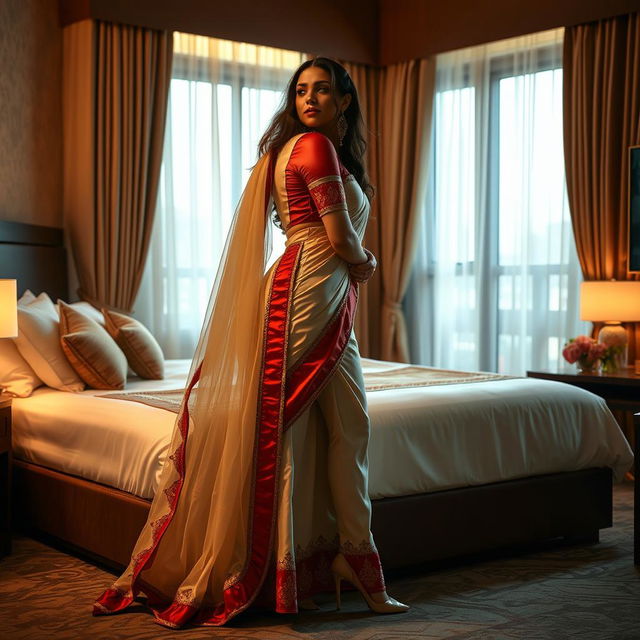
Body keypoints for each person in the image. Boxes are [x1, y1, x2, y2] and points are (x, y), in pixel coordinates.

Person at [93, 57, 408, 629]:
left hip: (323, 289)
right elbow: (339, 237)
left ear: (344, 100)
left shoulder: (315, 149)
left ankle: (354, 558)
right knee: (277, 424)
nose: (309, 99)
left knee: (351, 427)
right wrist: (366, 262)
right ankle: (259, 565)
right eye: (300, 91)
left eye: (321, 90)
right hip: (308, 287)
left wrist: (352, 269)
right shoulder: (312, 147)